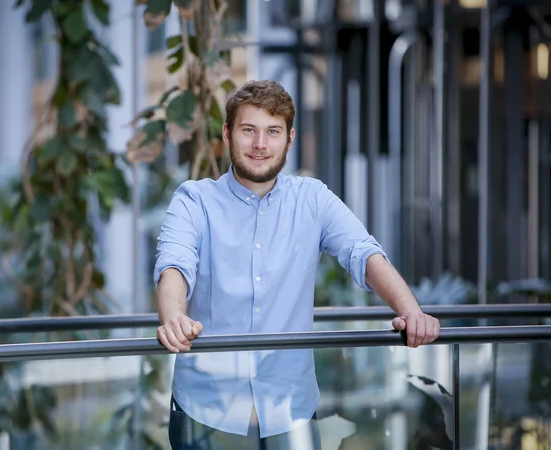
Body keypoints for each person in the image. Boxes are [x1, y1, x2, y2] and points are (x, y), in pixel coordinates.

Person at [153, 80, 441, 449]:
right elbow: (174, 265)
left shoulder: (313, 198)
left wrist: (411, 311)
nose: (260, 144)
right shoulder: (194, 200)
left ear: (289, 138)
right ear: (227, 134)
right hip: (207, 412)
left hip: (290, 411)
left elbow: (364, 252)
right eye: (248, 130)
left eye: (272, 132)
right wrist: (175, 316)